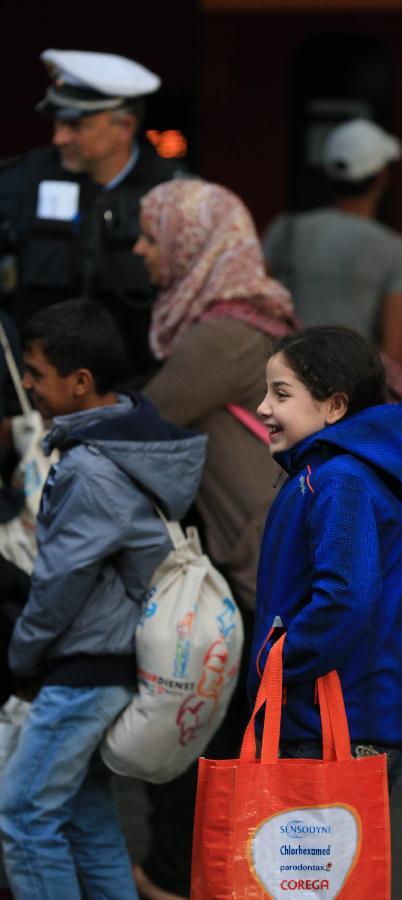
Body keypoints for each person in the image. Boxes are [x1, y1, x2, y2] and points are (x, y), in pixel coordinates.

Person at [0, 298, 205, 900]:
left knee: (24, 817)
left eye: (35, 374)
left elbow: (61, 579)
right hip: (107, 657)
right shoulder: (120, 446)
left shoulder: (92, 469)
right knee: (86, 821)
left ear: (80, 382)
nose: (28, 387)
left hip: (86, 665)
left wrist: (22, 653)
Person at [132, 177, 295, 900]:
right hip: (263, 562)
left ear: (193, 243)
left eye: (151, 235)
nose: (140, 251)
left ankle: (182, 875)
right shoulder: (252, 320)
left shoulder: (224, 333)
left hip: (256, 569)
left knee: (207, 738)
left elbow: (144, 423)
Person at [249, 326, 402, 789]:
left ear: (334, 406)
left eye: (281, 393)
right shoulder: (329, 471)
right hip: (336, 718)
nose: (263, 408)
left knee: (312, 864)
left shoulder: (339, 478)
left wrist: (277, 663)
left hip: (334, 723)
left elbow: (346, 596)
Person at [0, 49, 185, 376]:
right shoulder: (22, 180)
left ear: (124, 126)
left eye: (75, 125)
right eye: (57, 123)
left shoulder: (171, 190)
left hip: (138, 391)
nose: (59, 138)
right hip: (34, 389)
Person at [262, 119, 402, 366]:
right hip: (351, 385)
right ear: (382, 176)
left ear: (327, 172)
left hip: (285, 378)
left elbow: (254, 307)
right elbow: (394, 352)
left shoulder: (287, 228)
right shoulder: (397, 250)